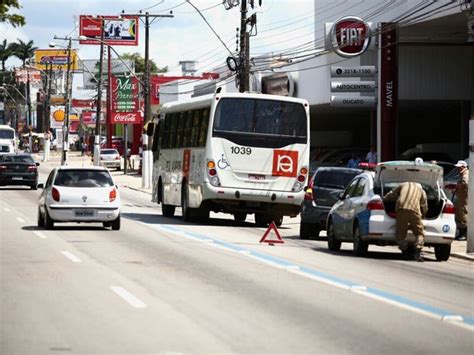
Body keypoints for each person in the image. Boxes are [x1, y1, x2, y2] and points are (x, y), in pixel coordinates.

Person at [383, 182, 428, 262]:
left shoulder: (402, 185)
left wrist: (384, 199)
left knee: (401, 232)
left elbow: (392, 194)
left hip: (402, 209)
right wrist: (423, 215)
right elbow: (424, 204)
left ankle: (405, 252)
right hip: (415, 211)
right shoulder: (421, 190)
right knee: (419, 233)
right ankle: (417, 251)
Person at [453, 160, 469, 241]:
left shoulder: (466, 173)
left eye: (459, 167)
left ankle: (465, 234)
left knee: (463, 216)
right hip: (460, 198)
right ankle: (461, 233)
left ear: (463, 167)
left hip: (464, 199)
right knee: (459, 215)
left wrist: (457, 187)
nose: (457, 169)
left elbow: (465, 183)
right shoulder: (461, 174)